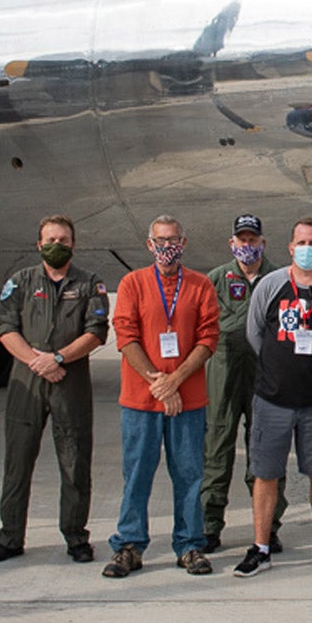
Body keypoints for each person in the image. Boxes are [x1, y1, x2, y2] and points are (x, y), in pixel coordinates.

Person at [236, 218, 312, 577]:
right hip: (272, 400)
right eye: (301, 242)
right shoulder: (271, 285)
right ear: (290, 248)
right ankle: (260, 547)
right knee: (265, 474)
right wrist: (282, 365)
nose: (308, 249)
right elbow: (255, 332)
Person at [0, 215, 111, 563]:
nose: (58, 245)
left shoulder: (89, 284)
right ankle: (10, 537)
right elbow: (5, 327)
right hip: (26, 383)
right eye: (51, 239)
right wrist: (37, 362)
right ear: (38, 244)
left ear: (74, 244)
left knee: (74, 463)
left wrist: (58, 358)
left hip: (70, 383)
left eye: (65, 240)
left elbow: (96, 331)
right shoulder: (21, 282)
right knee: (18, 462)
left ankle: (75, 537)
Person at [107, 216, 221, 578]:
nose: (166, 246)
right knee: (137, 473)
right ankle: (129, 544)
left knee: (189, 473)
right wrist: (158, 382)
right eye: (160, 240)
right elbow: (125, 334)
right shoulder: (133, 283)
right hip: (141, 400)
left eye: (172, 240)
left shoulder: (201, 285)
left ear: (183, 243)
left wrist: (176, 381)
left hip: (187, 399)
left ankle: (189, 545)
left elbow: (208, 338)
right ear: (149, 244)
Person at [200, 214, 288, 554]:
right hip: (223, 374)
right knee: (216, 449)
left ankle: (268, 527)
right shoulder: (216, 280)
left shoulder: (280, 279)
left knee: (265, 454)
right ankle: (209, 525)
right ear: (231, 243)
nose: (247, 245)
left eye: (253, 240)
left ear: (263, 243)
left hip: (266, 375)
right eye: (242, 239)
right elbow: (205, 326)